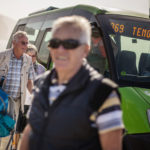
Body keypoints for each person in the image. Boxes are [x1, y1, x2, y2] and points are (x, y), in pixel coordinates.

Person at [20, 16, 124, 150]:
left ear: (85, 49)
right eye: (55, 43)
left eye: (70, 44)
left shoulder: (104, 93)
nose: (60, 50)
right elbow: (30, 130)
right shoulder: (40, 83)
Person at [0, 31, 34, 150]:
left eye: (27, 43)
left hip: (16, 102)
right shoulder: (2, 56)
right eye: (23, 43)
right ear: (14, 43)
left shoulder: (28, 60)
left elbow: (30, 81)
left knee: (10, 129)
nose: (25, 46)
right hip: (2, 100)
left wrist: (31, 99)